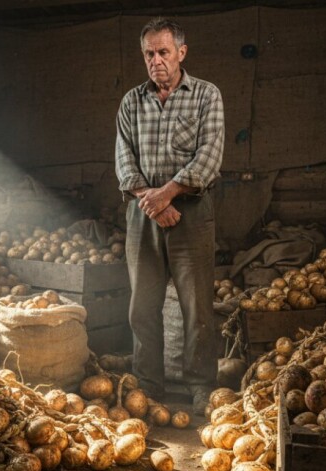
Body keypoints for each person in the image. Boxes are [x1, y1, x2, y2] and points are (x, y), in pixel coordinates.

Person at [114, 17, 225, 414]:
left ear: (181, 52)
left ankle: (200, 387)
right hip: (144, 214)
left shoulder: (206, 96)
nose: (156, 60)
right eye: (149, 53)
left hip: (191, 212)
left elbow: (209, 157)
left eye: (163, 52)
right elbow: (124, 161)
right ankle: (149, 384)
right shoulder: (132, 102)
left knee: (196, 307)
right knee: (142, 306)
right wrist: (152, 201)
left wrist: (169, 193)